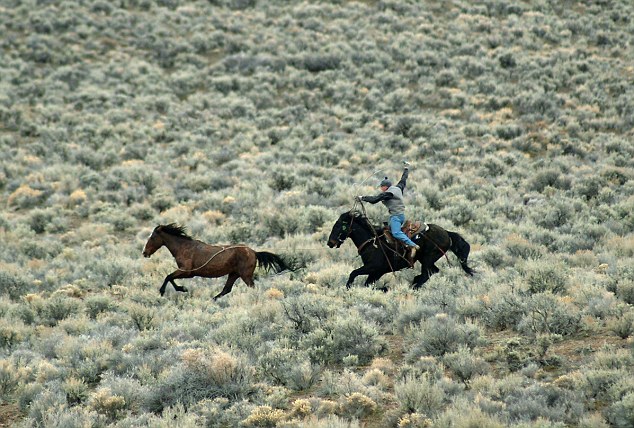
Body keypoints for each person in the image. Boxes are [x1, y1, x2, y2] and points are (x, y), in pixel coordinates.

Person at [357, 167, 420, 261]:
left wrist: (362, 198)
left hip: (396, 217)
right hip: (400, 216)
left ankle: (413, 245)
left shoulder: (388, 193)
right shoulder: (398, 188)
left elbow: (374, 200)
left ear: (385, 186)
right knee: (386, 229)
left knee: (396, 233)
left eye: (381, 187)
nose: (381, 188)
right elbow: (403, 179)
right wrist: (406, 169)